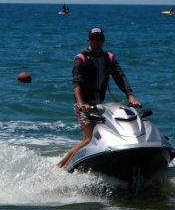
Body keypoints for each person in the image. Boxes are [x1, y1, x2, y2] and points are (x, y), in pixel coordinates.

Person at [57, 27, 141, 169]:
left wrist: (131, 97)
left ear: (104, 40)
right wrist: (81, 103)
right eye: (93, 39)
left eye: (99, 39)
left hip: (99, 106)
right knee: (90, 138)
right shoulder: (81, 59)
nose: (96, 42)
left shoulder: (108, 58)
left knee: (90, 138)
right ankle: (63, 167)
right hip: (83, 105)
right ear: (88, 40)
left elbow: (120, 78)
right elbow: (77, 82)